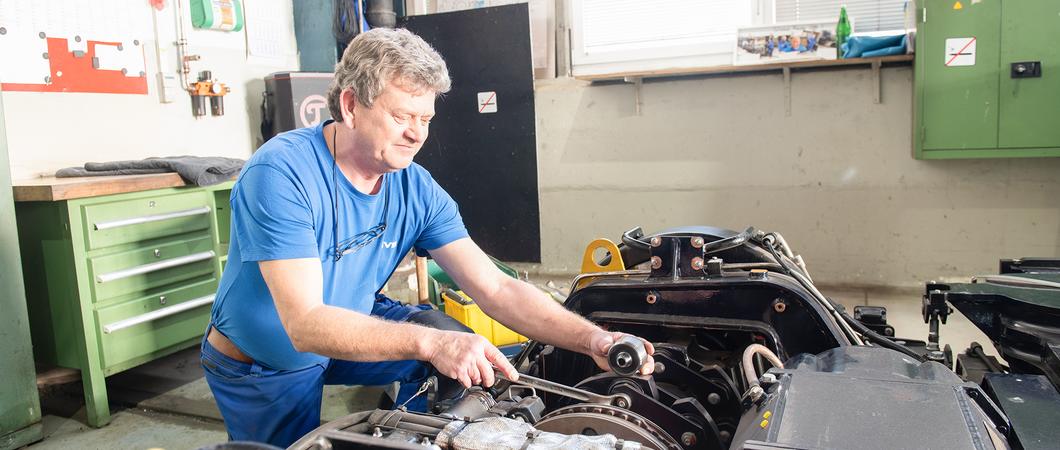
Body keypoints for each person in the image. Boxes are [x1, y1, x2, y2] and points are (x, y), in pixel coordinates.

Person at [200, 27, 655, 448]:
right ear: (351, 105)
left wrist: (592, 340)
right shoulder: (281, 174)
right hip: (267, 363)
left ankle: (416, 439)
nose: (417, 133)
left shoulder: (414, 187)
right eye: (402, 115)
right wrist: (430, 344)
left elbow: (496, 288)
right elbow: (305, 324)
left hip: (350, 323)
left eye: (426, 118)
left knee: (457, 349)